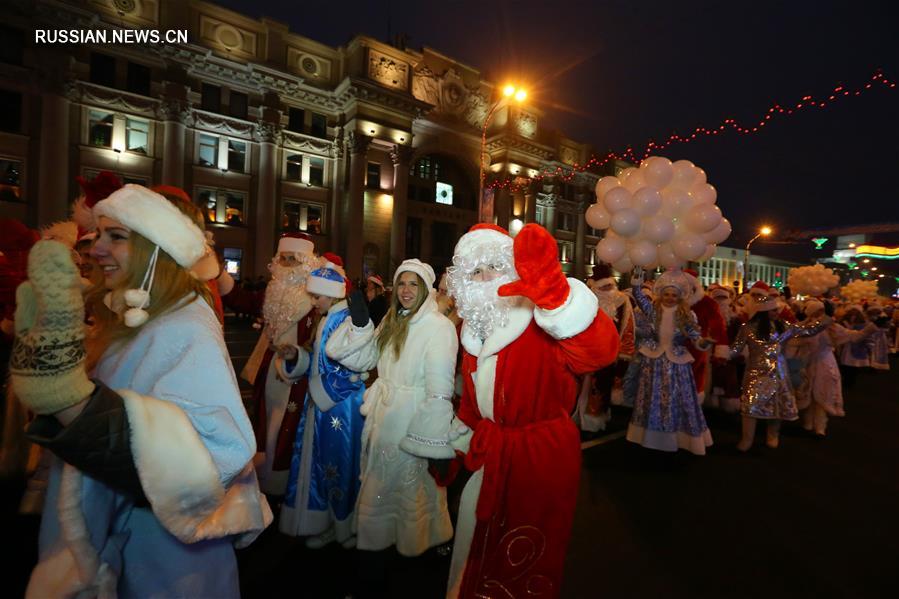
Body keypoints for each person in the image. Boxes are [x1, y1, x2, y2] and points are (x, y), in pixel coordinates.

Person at [10, 185, 270, 597]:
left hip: (163, 561)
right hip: (129, 544)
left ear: (156, 250)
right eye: (98, 235)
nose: (95, 249)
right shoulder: (139, 317)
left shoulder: (184, 325)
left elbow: (217, 453)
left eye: (116, 236)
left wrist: (71, 401)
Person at [443, 223, 619, 598]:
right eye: (476, 272)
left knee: (527, 551)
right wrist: (460, 446)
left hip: (541, 454)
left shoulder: (543, 317)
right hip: (492, 449)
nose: (486, 278)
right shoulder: (472, 331)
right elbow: (472, 404)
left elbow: (601, 352)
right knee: (479, 539)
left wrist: (558, 300)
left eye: (494, 266)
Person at [325, 259, 459, 556]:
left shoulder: (438, 327)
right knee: (382, 494)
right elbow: (361, 360)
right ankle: (382, 551)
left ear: (426, 289)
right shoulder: (392, 319)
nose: (406, 290)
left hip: (412, 424)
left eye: (414, 284)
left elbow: (440, 392)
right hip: (384, 420)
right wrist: (360, 327)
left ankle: (411, 556)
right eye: (402, 283)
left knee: (411, 498)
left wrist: (433, 442)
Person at [279, 259, 368, 549]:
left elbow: (356, 371)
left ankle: (345, 526)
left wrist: (321, 396)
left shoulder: (345, 320)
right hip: (325, 405)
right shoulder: (328, 318)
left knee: (340, 465)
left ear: (331, 294)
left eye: (316, 296)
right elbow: (320, 365)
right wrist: (296, 357)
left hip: (339, 408)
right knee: (324, 466)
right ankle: (329, 521)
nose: (313, 301)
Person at [242, 233, 318, 497]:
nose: (286, 265)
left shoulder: (313, 299)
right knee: (264, 421)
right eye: (283, 259)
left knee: (286, 427)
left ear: (305, 262)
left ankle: (282, 484)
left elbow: (317, 342)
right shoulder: (272, 291)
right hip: (269, 369)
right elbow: (248, 303)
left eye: (292, 259)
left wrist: (298, 356)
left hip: (296, 374)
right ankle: (264, 478)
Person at [731, 282, 830, 451]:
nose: (777, 312)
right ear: (763, 311)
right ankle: (747, 440)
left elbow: (806, 331)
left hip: (779, 372)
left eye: (776, 310)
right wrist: (718, 352)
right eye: (773, 310)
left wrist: (826, 319)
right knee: (750, 405)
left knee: (777, 405)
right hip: (755, 373)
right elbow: (735, 349)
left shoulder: (783, 326)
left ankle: (772, 435)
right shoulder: (747, 329)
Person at [627, 268, 714, 455]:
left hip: (676, 364)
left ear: (680, 297)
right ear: (661, 295)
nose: (669, 298)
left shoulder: (686, 315)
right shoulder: (653, 311)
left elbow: (694, 336)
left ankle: (678, 438)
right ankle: (651, 437)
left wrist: (702, 342)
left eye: (674, 295)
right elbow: (639, 298)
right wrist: (636, 284)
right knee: (652, 398)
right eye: (666, 294)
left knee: (676, 398)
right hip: (654, 362)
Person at [795, 299, 876, 436]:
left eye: (821, 311)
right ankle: (808, 422)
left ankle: (820, 426)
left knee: (823, 394)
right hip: (807, 363)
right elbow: (794, 343)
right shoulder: (804, 328)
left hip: (825, 364)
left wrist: (870, 328)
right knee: (808, 395)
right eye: (816, 311)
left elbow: (853, 336)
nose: (820, 314)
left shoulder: (832, 328)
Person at [578, 263, 635, 432]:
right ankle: (581, 417)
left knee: (601, 386)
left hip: (609, 353)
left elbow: (628, 327)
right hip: (585, 351)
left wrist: (624, 353)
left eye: (609, 286)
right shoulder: (588, 300)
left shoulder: (622, 301)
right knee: (582, 386)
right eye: (603, 287)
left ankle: (594, 421)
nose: (607, 290)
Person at [682, 269, 729, 402]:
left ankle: (693, 412)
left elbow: (718, 325)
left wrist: (721, 348)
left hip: (698, 347)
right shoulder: (673, 299)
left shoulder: (706, 302)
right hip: (672, 347)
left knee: (695, 380)